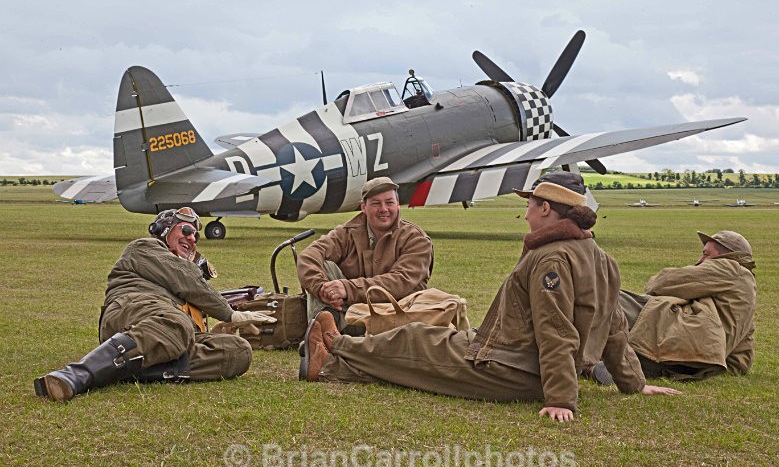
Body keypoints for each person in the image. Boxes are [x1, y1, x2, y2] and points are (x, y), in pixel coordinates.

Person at [299, 172, 679, 422]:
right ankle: (332, 355)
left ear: (546, 209)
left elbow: (556, 330)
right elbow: (613, 326)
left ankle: (333, 354)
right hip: (505, 351)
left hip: (513, 369)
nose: (526, 213)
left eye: (530, 205)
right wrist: (633, 382)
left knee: (412, 343)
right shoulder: (601, 258)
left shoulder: (552, 258)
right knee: (422, 339)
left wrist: (561, 400)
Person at [34, 207, 272, 402]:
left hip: (165, 329)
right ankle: (77, 374)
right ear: (164, 230)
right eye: (186, 230)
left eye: (196, 236)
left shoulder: (182, 269)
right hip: (134, 309)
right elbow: (185, 279)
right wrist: (230, 314)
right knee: (177, 324)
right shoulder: (144, 248)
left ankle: (120, 369)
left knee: (237, 351)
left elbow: (189, 285)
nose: (192, 238)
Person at [297, 177, 433, 331]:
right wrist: (320, 288)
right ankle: (327, 330)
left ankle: (324, 336)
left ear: (397, 205)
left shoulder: (416, 239)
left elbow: (400, 280)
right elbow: (309, 255)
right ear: (364, 207)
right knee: (324, 265)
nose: (383, 209)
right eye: (376, 203)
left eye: (389, 202)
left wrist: (348, 289)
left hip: (397, 319)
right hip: (351, 315)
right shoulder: (346, 233)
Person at [617, 230, 756, 381]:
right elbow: (741, 363)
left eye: (706, 254)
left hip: (676, 342)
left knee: (611, 299)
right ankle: (612, 363)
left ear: (726, 255)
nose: (700, 260)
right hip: (687, 362)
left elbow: (660, 283)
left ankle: (606, 360)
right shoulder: (745, 293)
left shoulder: (730, 268)